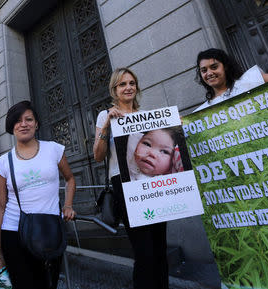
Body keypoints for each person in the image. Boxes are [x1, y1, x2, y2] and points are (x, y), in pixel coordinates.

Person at [93, 67, 168, 289]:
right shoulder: (105, 115)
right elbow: (98, 156)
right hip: (126, 185)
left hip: (153, 182)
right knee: (143, 251)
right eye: (123, 84)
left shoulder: (146, 115)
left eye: (132, 83)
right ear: (114, 89)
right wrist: (107, 124)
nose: (128, 88)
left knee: (160, 248)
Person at [0, 101, 76, 289]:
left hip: (49, 229)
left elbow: (70, 179)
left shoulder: (54, 149)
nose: (24, 124)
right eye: (17, 121)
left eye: (29, 119)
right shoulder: (3, 163)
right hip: (14, 232)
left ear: (36, 124)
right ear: (11, 126)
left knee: (49, 283)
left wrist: (68, 205)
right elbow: (0, 206)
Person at [195, 48, 268, 111]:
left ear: (225, 67)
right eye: (204, 70)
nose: (209, 73)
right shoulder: (204, 111)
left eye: (214, 67)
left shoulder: (250, 80)